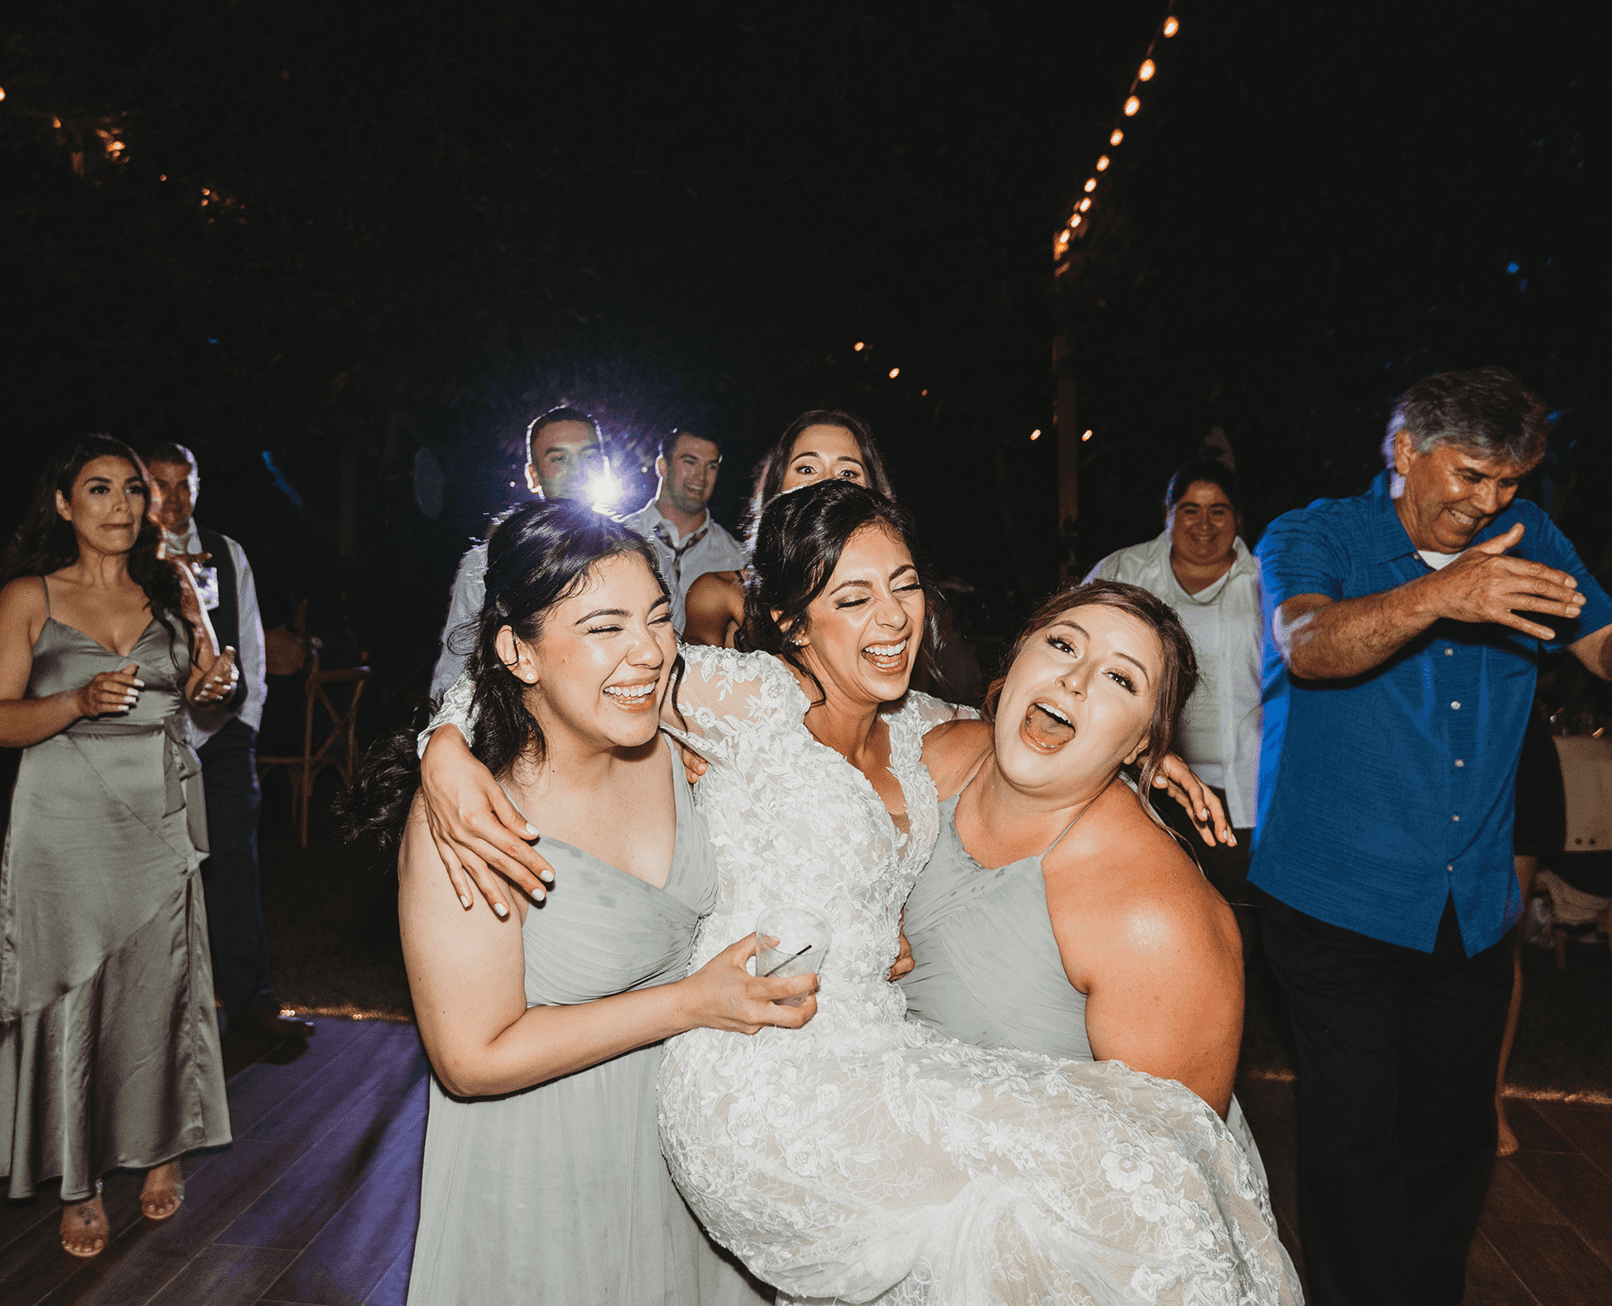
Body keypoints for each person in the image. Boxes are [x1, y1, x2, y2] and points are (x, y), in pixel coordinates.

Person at [422, 482, 1297, 1304]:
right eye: (850, 598)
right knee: (1116, 1190)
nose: (889, 617)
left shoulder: (924, 728)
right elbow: (580, 662)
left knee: (1145, 1176)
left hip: (877, 1056)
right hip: (759, 1079)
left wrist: (1143, 753)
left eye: (904, 586)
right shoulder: (744, 696)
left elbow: (1031, 722)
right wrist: (446, 746)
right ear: (789, 623)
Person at [1254, 366, 1612, 1306]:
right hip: (1336, 894)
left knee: (1453, 1134)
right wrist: (1439, 596)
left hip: (1467, 901)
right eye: (1469, 475)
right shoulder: (1316, 533)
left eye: (1508, 482)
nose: (1487, 502)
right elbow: (1307, 645)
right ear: (1404, 452)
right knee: (1351, 1136)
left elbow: (1607, 652)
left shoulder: (1531, 538)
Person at [347, 499, 799, 1305]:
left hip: (693, 1153)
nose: (648, 652)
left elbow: (844, 719)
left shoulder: (684, 731)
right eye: (603, 628)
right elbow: (470, 1058)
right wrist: (691, 1003)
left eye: (658, 619)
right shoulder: (472, 816)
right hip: (545, 1165)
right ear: (519, 652)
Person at [0, 436, 238, 1258]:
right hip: (64, 820)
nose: (120, 506)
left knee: (160, 988)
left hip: (157, 813)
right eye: (98, 490)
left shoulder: (171, 586)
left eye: (130, 491)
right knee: (73, 990)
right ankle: (77, 1180)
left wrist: (211, 685)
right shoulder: (28, 597)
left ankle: (161, 1147)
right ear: (63, 505)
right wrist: (78, 699)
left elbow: (199, 688)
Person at [901, 580, 1272, 1177]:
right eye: (1063, 645)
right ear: (1017, 656)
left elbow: (1169, 1180)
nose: (1074, 680)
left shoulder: (1159, 922)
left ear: (1145, 742)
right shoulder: (930, 752)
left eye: (1120, 679)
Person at [146, 443, 312, 1043]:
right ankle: (165, 1018)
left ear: (197, 487)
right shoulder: (127, 556)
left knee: (234, 869)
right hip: (151, 739)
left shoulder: (226, 551)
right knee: (157, 876)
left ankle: (250, 1006)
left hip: (221, 738)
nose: (172, 498)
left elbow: (250, 646)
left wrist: (245, 724)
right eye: (158, 485)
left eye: (183, 485)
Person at [1086, 458, 1263, 914]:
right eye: (1189, 509)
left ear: (1237, 517)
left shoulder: (1266, 580)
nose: (1204, 523)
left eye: (1219, 510)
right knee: (1148, 908)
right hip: (1141, 780)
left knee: (1230, 915)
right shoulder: (1124, 569)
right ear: (1168, 514)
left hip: (1241, 790)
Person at [429, 407, 600, 703]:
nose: (578, 470)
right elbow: (454, 675)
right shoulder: (487, 565)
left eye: (590, 457)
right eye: (559, 458)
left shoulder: (641, 557)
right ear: (533, 476)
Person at [682, 410, 895, 648]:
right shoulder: (719, 595)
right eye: (807, 469)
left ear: (873, 493)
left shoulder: (902, 605)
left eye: (847, 473)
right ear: (776, 487)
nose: (826, 483)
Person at [618, 426, 745, 639]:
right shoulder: (619, 537)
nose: (701, 476)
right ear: (662, 466)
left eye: (711, 466)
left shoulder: (736, 558)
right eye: (690, 461)